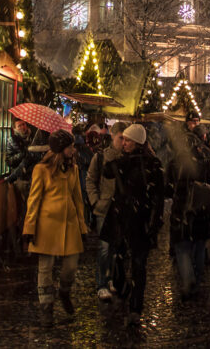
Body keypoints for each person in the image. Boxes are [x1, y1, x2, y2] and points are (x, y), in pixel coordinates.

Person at [101, 124, 165, 326]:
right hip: (122, 219)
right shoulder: (122, 161)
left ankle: (136, 307)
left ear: (137, 142)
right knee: (118, 260)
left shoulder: (152, 164)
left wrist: (154, 221)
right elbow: (106, 172)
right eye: (123, 139)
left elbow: (159, 195)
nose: (124, 143)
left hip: (140, 221)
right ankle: (122, 289)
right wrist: (117, 154)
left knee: (139, 265)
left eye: (127, 140)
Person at [23, 129, 87, 327]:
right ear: (61, 149)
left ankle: (64, 292)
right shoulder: (41, 170)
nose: (73, 150)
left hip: (70, 225)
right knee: (45, 268)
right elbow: (34, 200)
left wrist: (82, 226)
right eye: (70, 147)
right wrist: (29, 227)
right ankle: (46, 308)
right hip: (47, 225)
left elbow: (78, 199)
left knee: (71, 267)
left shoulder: (74, 169)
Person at [167, 114, 210, 299]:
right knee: (198, 246)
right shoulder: (206, 160)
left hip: (182, 210)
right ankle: (196, 280)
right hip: (201, 211)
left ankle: (188, 278)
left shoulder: (175, 162)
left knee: (183, 247)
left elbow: (167, 186)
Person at [85, 121, 126, 301]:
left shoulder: (128, 157)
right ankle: (101, 283)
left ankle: (111, 278)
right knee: (104, 248)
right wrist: (95, 202)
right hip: (104, 209)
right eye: (121, 138)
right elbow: (90, 180)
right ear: (113, 137)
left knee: (116, 247)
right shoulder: (101, 158)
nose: (124, 142)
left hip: (121, 209)